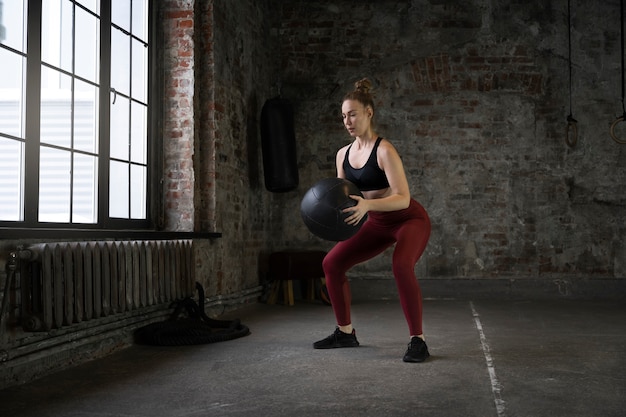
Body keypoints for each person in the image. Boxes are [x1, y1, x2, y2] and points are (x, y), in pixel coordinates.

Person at [313, 78, 432, 363]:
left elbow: (403, 197)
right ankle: (345, 332)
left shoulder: (384, 150)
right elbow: (343, 198)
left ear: (369, 112)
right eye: (343, 116)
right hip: (376, 223)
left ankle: (418, 340)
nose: (347, 121)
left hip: (408, 219)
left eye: (352, 114)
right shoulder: (342, 155)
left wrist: (366, 204)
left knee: (402, 265)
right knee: (331, 263)